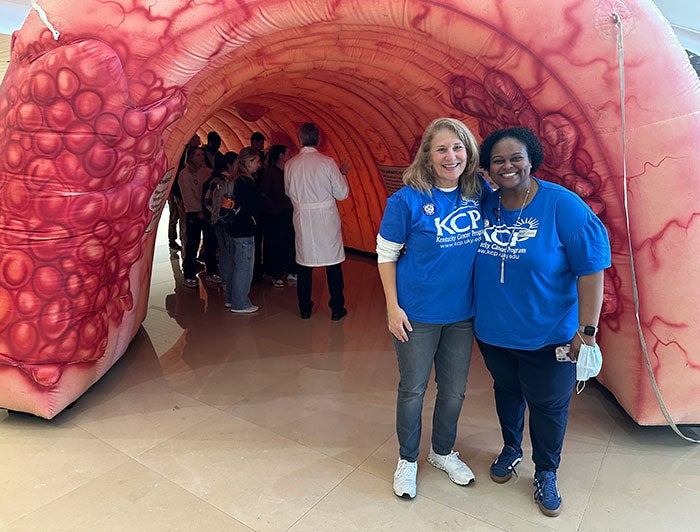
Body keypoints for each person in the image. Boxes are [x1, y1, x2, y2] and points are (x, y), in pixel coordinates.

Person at [473, 127, 610, 518]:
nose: (507, 166)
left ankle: (546, 472)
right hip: (494, 333)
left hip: (550, 335)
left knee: (549, 407)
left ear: (532, 158)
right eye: (498, 160)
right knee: (507, 392)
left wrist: (586, 332)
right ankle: (512, 449)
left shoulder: (561, 205)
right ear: (488, 169)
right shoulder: (487, 204)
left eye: (516, 157)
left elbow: (592, 268)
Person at [376, 117, 489, 499]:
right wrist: (393, 307)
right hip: (417, 314)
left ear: (469, 153)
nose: (450, 156)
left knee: (454, 391)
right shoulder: (406, 199)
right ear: (427, 154)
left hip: (461, 315)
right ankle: (408, 460)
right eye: (441, 148)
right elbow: (386, 255)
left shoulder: (479, 191)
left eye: (458, 148)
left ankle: (442, 451)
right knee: (413, 389)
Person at [284, 122, 349, 320]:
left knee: (304, 265)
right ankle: (337, 308)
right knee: (333, 264)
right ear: (319, 139)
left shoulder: (290, 165)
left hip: (302, 217)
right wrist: (343, 174)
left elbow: (288, 192)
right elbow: (342, 194)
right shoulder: (327, 163)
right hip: (326, 218)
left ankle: (305, 308)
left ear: (300, 139)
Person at [226, 147, 264, 313]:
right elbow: (255, 206)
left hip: (234, 227)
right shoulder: (247, 182)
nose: (259, 164)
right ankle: (240, 303)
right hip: (245, 228)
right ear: (248, 163)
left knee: (235, 264)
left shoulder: (235, 179)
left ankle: (231, 298)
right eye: (256, 161)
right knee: (244, 266)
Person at [179, 145, 220, 288]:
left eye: (202, 155)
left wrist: (208, 210)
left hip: (207, 212)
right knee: (192, 244)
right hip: (193, 213)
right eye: (198, 155)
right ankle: (189, 275)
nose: (202, 158)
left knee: (210, 243)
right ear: (190, 157)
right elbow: (188, 196)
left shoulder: (208, 172)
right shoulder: (184, 174)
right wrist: (199, 210)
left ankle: (211, 272)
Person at [203, 151, 238, 308]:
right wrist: (222, 215)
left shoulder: (215, 180)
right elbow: (209, 201)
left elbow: (206, 201)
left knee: (224, 252)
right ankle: (229, 281)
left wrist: (215, 216)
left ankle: (225, 280)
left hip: (217, 222)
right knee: (229, 252)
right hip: (226, 222)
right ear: (229, 164)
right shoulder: (226, 181)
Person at [259, 144, 297, 287]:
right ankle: (277, 273)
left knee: (290, 242)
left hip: (289, 212)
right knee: (277, 244)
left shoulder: (289, 171)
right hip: (275, 215)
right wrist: (274, 209)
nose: (290, 156)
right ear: (281, 156)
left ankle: (292, 269)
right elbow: (265, 195)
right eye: (288, 153)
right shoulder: (270, 174)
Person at [169, 133, 201, 251]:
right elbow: (174, 174)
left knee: (185, 223)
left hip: (187, 197)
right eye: (196, 138)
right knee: (179, 221)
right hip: (180, 195)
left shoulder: (198, 165)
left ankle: (186, 250)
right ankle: (180, 246)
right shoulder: (181, 155)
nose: (199, 140)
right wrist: (175, 193)